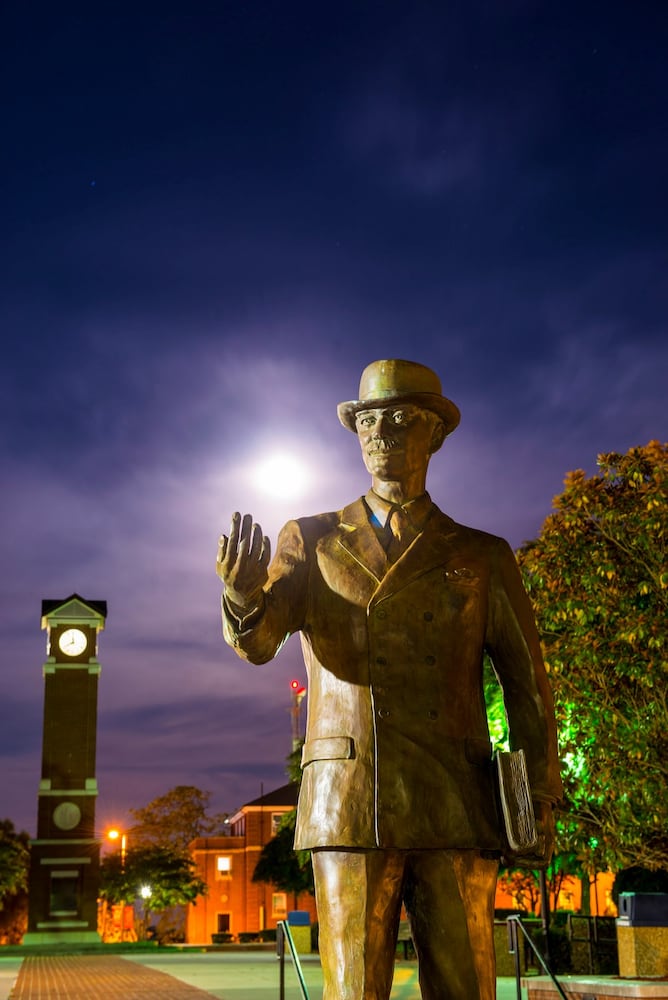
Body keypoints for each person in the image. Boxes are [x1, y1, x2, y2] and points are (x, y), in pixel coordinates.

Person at [216, 359, 562, 1000]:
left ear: (434, 435)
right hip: (349, 799)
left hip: (454, 798)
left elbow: (528, 687)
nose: (383, 434)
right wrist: (241, 599)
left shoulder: (478, 554)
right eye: (370, 421)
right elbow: (260, 644)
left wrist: (538, 796)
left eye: (402, 420)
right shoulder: (312, 539)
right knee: (355, 991)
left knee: (465, 987)